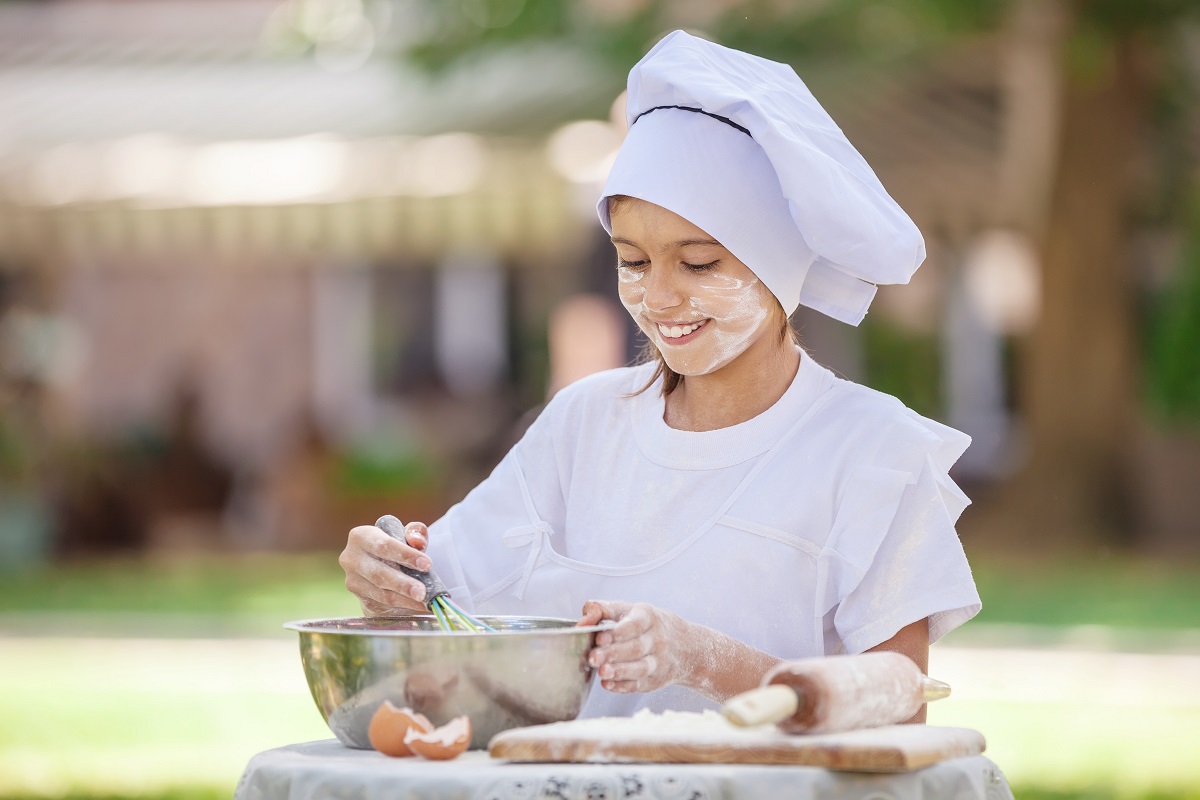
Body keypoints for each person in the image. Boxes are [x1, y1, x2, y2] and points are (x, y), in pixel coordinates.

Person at [339, 30, 981, 721]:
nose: (661, 297)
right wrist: (387, 575)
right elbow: (447, 605)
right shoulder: (582, 424)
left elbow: (900, 705)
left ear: (777, 267)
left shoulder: (871, 450)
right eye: (634, 261)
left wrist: (700, 657)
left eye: (699, 263)